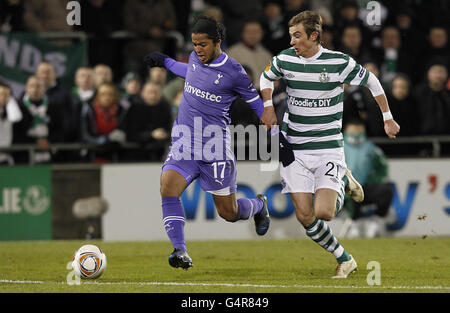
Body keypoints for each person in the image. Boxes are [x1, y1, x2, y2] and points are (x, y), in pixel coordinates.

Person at [260, 11, 400, 278]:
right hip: (293, 148)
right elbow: (266, 77)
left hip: (327, 147)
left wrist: (388, 117)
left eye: (297, 36)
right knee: (304, 216)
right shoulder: (285, 59)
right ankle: (344, 258)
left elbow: (372, 81)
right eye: (291, 35)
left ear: (314, 36)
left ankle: (345, 181)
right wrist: (268, 106)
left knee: (323, 212)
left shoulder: (338, 62)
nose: (292, 42)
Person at [143, 15, 277, 270]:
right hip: (184, 143)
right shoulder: (195, 58)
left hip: (214, 148)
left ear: (218, 42)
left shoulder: (235, 72)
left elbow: (255, 102)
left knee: (229, 212)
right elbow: (189, 72)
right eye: (194, 44)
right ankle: (180, 251)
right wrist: (165, 62)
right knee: (167, 187)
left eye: (202, 44)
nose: (197, 50)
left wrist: (271, 128)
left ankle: (260, 205)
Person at [343, 119, 394, 238]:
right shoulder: (338, 147)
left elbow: (383, 167)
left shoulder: (371, 148)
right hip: (344, 188)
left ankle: (376, 221)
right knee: (353, 192)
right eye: (353, 130)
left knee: (386, 191)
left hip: (365, 186)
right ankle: (354, 222)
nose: (356, 133)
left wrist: (373, 180)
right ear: (346, 131)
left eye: (358, 130)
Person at [0, 82, 22, 165]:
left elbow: (16, 118)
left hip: (6, 158)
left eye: (7, 95)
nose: (4, 97)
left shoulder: (10, 111)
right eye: (1, 94)